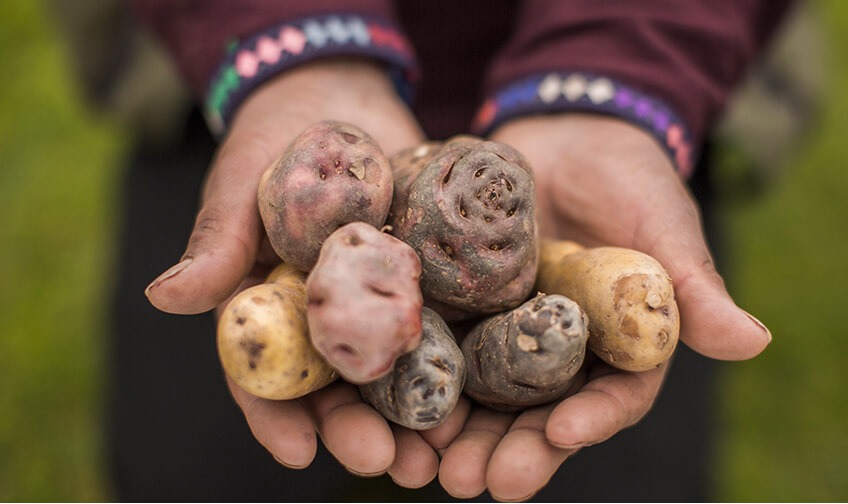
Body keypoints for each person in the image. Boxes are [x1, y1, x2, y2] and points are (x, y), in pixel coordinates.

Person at [88, 0, 796, 500]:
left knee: (632, 485)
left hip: (637, 73)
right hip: (240, 63)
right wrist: (295, 49)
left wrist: (614, 84)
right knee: (186, 474)